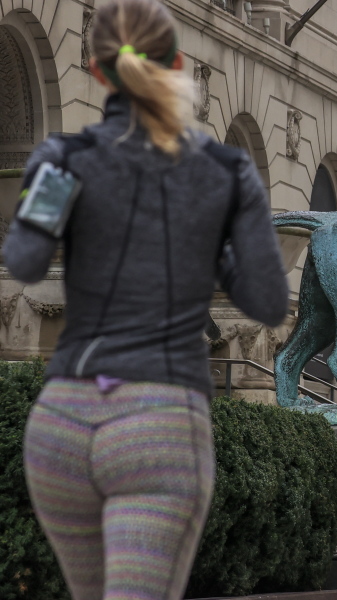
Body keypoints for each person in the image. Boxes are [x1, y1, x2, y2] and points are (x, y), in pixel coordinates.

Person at [4, 1, 289, 599]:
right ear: (178, 64)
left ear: (97, 69)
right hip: (156, 422)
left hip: (63, 421)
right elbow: (266, 299)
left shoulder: (63, 161)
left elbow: (26, 261)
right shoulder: (225, 171)